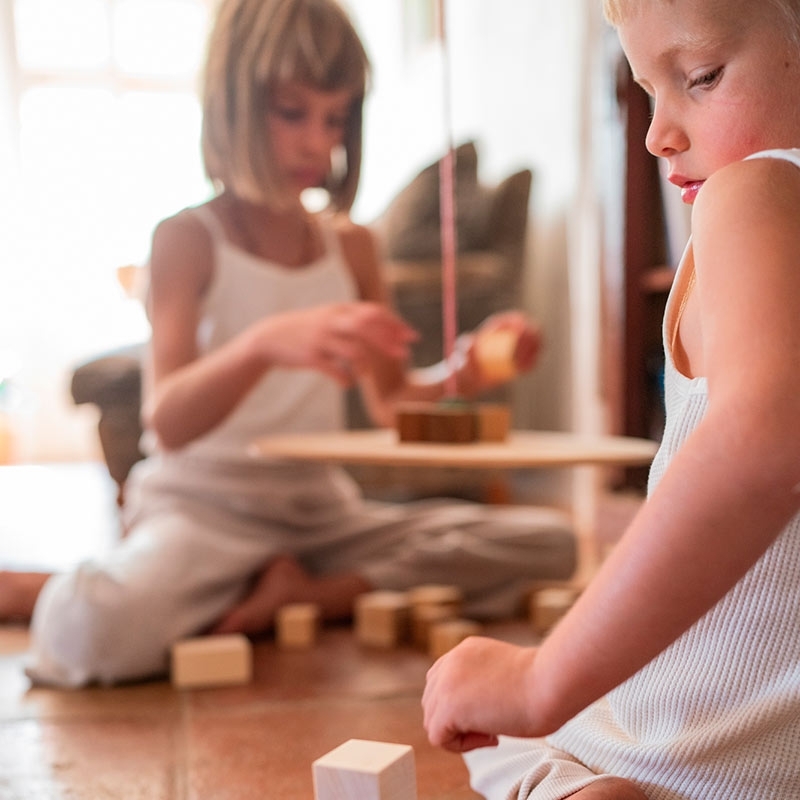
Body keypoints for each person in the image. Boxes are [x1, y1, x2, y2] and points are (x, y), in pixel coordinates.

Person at [6, 0, 576, 688]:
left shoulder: (353, 247)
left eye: (335, 117)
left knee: (554, 542)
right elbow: (168, 417)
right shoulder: (187, 239)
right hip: (204, 509)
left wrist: (469, 367)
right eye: (293, 113)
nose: (318, 143)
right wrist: (264, 345)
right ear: (234, 106)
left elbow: (394, 401)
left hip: (320, 515)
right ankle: (72, 588)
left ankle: (301, 593)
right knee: (87, 632)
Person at [422, 1, 800, 798]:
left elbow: (764, 441)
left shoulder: (758, 192)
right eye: (647, 91)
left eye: (700, 77)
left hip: (682, 757)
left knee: (491, 724)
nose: (658, 131)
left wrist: (538, 680)